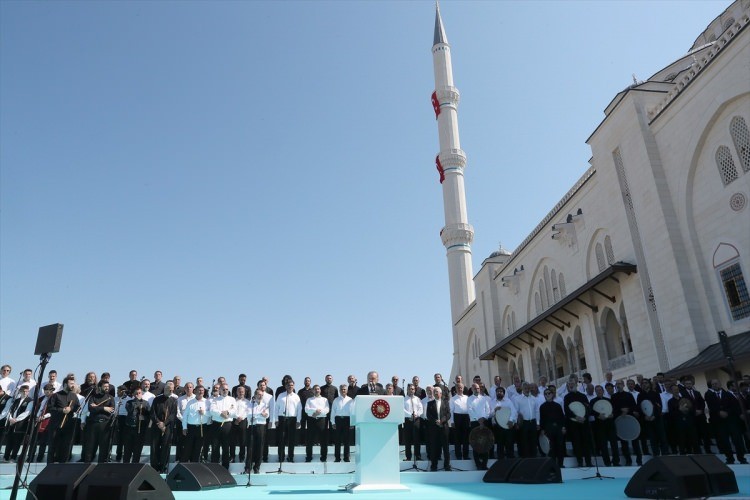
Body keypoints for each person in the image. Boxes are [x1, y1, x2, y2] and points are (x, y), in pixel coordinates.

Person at [705, 379, 747, 464]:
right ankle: (730, 458)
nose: (715, 385)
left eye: (716, 383)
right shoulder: (709, 395)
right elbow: (711, 406)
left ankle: (741, 458)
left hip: (731, 421)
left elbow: (734, 406)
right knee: (724, 441)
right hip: (719, 422)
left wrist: (727, 412)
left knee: (737, 440)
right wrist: (719, 412)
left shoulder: (727, 394)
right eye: (713, 384)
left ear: (720, 384)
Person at [47, 375, 80, 463]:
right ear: (65, 384)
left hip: (68, 426)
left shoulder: (74, 396)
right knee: (52, 447)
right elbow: (50, 408)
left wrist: (71, 409)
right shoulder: (56, 395)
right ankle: (49, 467)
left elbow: (78, 408)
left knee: (65, 448)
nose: (73, 385)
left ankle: (62, 467)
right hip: (55, 426)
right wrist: (62, 410)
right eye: (71, 384)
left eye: (74, 384)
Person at [82, 381, 115, 463]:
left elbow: (111, 410)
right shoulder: (93, 397)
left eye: (108, 386)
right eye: (105, 386)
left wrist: (97, 407)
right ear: (100, 387)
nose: (107, 388)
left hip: (105, 424)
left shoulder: (110, 397)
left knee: (103, 447)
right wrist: (104, 408)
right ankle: (87, 466)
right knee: (90, 446)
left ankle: (101, 467)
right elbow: (90, 409)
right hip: (93, 424)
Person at [563, 379, 592, 467]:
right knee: (576, 443)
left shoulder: (583, 396)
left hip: (584, 422)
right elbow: (567, 410)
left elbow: (588, 408)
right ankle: (580, 461)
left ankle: (588, 462)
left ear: (576, 384)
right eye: (569, 384)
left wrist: (584, 417)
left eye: (572, 383)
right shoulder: (567, 397)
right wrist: (576, 417)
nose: (571, 385)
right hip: (573, 424)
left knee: (586, 442)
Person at [150, 381, 177, 472]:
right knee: (154, 447)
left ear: (172, 390)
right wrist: (159, 423)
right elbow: (152, 413)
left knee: (166, 447)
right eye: (166, 389)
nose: (168, 390)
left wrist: (164, 424)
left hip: (167, 427)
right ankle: (154, 467)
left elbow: (173, 415)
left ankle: (163, 467)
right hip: (156, 426)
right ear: (164, 389)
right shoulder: (157, 399)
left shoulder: (174, 401)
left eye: (170, 390)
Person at [209, 383, 236, 469]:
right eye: (223, 389)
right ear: (220, 390)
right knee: (215, 446)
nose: (225, 391)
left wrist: (228, 413)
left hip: (227, 425)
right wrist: (221, 413)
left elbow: (235, 412)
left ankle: (225, 468)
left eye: (226, 389)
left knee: (226, 447)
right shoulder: (215, 400)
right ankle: (214, 467)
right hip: (216, 425)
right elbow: (212, 411)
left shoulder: (232, 400)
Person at [590, 385, 619, 466]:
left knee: (614, 444)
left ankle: (616, 461)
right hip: (599, 426)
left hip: (610, 424)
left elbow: (615, 410)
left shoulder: (609, 400)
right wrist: (598, 415)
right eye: (597, 390)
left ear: (603, 391)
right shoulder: (592, 401)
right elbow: (590, 411)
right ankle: (607, 462)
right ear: (595, 392)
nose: (599, 391)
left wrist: (612, 415)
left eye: (600, 390)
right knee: (603, 445)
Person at [182, 385, 211, 462]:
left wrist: (204, 412)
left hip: (202, 427)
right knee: (188, 447)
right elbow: (185, 416)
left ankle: (194, 465)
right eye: (199, 390)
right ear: (195, 391)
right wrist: (184, 427)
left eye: (202, 390)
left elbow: (211, 414)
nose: (200, 392)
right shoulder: (190, 402)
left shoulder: (207, 402)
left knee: (198, 448)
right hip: (191, 428)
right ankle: (184, 464)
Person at [2, 385, 31, 462]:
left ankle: (13, 458)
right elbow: (10, 410)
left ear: (28, 392)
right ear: (20, 391)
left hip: (20, 425)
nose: (25, 393)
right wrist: (10, 418)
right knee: (9, 441)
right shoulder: (16, 400)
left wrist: (16, 419)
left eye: (26, 391)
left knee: (17, 442)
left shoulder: (30, 401)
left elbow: (27, 413)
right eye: (23, 391)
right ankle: (5, 457)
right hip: (11, 423)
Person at [275, 379, 301, 463]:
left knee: (291, 440)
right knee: (281, 439)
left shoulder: (296, 396)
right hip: (282, 419)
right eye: (288, 385)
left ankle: (290, 457)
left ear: (293, 386)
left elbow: (299, 409)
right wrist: (276, 419)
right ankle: (281, 457)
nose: (290, 387)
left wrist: (298, 420)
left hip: (292, 419)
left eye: (292, 385)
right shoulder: (280, 396)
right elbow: (276, 408)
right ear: (285, 386)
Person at [245, 388, 270, 474]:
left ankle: (257, 467)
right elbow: (248, 414)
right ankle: (248, 467)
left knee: (260, 447)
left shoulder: (265, 405)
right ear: (255, 395)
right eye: (259, 395)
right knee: (250, 447)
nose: (260, 396)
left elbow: (266, 415)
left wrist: (256, 415)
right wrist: (260, 414)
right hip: (252, 427)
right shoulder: (250, 404)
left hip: (261, 427)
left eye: (262, 395)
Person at [467, 382, 492, 469]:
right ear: (472, 389)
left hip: (484, 421)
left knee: (486, 443)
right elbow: (470, 410)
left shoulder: (484, 398)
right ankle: (478, 465)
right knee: (475, 444)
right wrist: (478, 419)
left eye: (478, 388)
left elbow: (488, 409)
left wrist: (483, 419)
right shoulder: (469, 399)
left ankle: (484, 464)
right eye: (475, 388)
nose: (477, 390)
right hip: (474, 423)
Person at [426, 387, 451, 471]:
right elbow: (428, 415)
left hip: (444, 427)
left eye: (437, 392)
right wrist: (435, 421)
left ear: (441, 393)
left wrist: (442, 421)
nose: (436, 393)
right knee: (434, 447)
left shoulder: (446, 402)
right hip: (434, 428)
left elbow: (448, 414)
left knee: (446, 447)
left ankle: (447, 466)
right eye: (434, 392)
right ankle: (434, 466)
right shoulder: (430, 403)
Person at [123, 387, 149, 463]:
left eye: (139, 393)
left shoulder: (146, 403)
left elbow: (149, 414)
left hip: (140, 429)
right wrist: (137, 401)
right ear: (134, 394)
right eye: (136, 393)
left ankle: (135, 466)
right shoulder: (129, 402)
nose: (138, 394)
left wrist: (143, 417)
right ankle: (125, 466)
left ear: (142, 393)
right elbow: (130, 410)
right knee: (127, 450)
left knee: (137, 451)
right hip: (129, 428)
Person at [304, 384, 330, 462]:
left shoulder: (325, 400)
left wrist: (319, 412)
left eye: (318, 389)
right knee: (309, 440)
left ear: (320, 390)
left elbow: (327, 410)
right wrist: (314, 411)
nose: (317, 390)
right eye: (315, 389)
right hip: (311, 420)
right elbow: (306, 409)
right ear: (313, 390)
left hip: (322, 420)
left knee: (323, 440)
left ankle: (323, 457)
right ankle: (308, 457)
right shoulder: (309, 400)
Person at [492, 386, 517, 459]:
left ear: (504, 393)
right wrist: (494, 411)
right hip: (498, 427)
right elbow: (489, 414)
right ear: (496, 393)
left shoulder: (508, 401)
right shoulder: (492, 402)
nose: (499, 392)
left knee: (509, 443)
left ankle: (511, 460)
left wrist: (511, 420)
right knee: (500, 444)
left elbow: (514, 411)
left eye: (501, 391)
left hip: (508, 426)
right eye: (498, 391)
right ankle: (501, 462)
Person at [449, 382, 470, 460]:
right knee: (457, 438)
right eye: (458, 388)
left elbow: (469, 409)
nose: (460, 389)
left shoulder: (467, 398)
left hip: (466, 418)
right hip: (457, 417)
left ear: (463, 388)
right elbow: (451, 410)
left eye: (461, 387)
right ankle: (458, 455)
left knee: (466, 438)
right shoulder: (452, 399)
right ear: (456, 389)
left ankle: (466, 455)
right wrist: (452, 421)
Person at [403, 383, 423, 462]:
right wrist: (410, 414)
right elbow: (402, 409)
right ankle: (408, 457)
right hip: (408, 420)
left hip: (416, 420)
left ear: (414, 390)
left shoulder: (417, 399)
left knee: (416, 439)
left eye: (412, 389)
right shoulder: (404, 399)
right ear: (407, 390)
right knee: (408, 440)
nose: (411, 390)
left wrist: (417, 414)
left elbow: (420, 408)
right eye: (410, 389)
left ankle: (417, 456)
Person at [230, 386, 248, 463]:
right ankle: (232, 457)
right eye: (239, 391)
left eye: (242, 391)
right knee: (232, 440)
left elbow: (248, 411)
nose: (241, 393)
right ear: (236, 392)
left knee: (242, 440)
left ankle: (242, 457)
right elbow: (231, 410)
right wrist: (237, 418)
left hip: (243, 421)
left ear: (244, 392)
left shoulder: (248, 402)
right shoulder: (233, 401)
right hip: (234, 421)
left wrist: (241, 418)